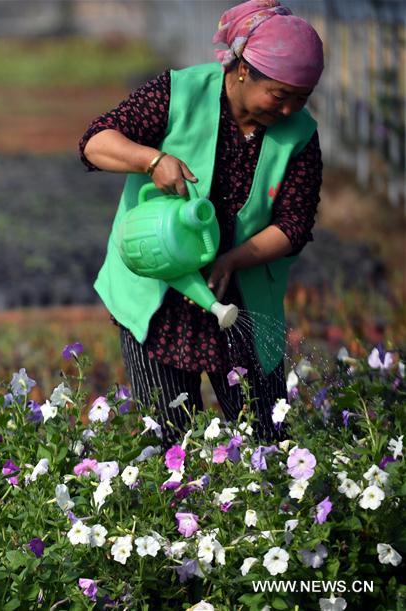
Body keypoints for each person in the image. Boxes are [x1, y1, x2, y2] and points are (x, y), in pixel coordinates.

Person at [79, 0, 324, 446]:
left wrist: (231, 260)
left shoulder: (300, 133)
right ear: (245, 69)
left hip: (239, 295)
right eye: (280, 95)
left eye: (301, 99)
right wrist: (151, 160)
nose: (289, 110)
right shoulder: (178, 93)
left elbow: (294, 224)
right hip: (159, 293)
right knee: (171, 440)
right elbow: (96, 142)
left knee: (264, 438)